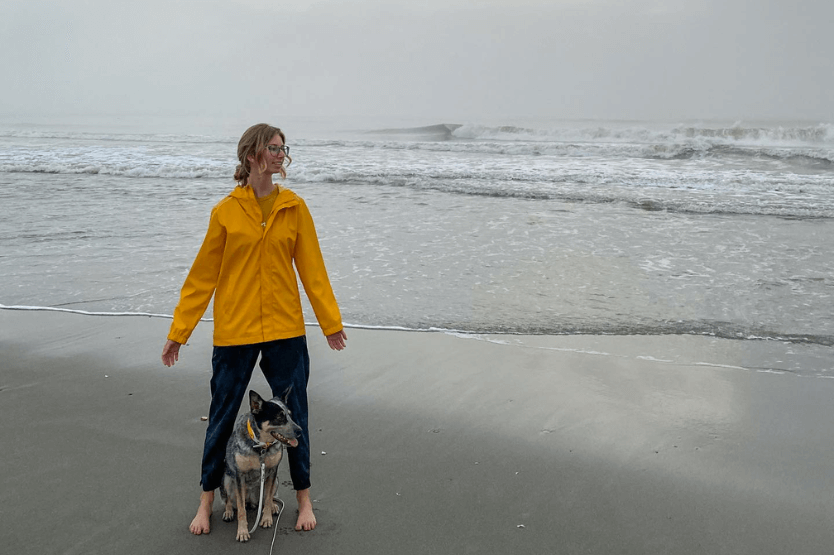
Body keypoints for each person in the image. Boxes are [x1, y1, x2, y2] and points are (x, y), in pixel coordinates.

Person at [161, 123, 347, 536]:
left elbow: (313, 270)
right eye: (274, 148)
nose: (281, 154)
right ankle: (206, 500)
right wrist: (179, 331)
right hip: (236, 332)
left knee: (295, 418)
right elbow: (201, 278)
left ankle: (303, 500)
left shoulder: (294, 208)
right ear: (252, 156)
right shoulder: (225, 212)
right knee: (222, 417)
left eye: (284, 148)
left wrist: (330, 322)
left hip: (285, 329)